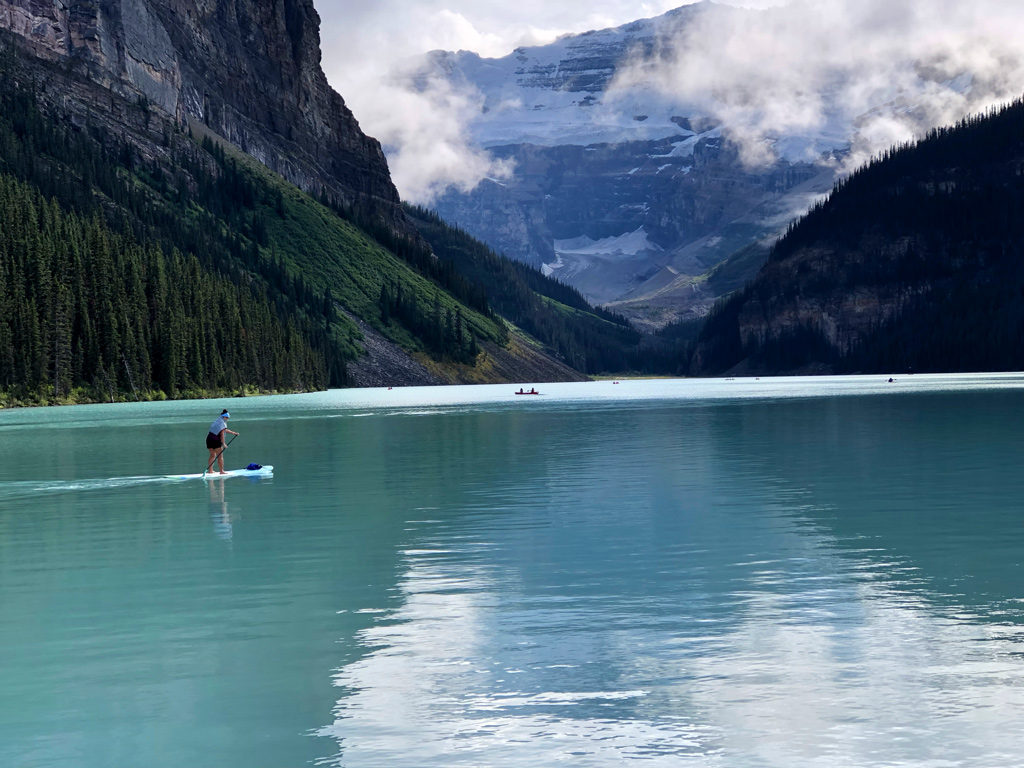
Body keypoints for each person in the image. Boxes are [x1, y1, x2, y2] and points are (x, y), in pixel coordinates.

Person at [206, 409, 239, 475]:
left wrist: (233, 433)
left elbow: (224, 430)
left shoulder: (217, 421)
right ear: (224, 416)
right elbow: (222, 434)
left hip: (209, 439)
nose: (227, 419)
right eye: (227, 417)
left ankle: (210, 470)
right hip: (215, 440)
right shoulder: (222, 422)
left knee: (212, 455)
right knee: (220, 456)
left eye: (228, 418)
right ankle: (221, 471)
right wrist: (223, 443)